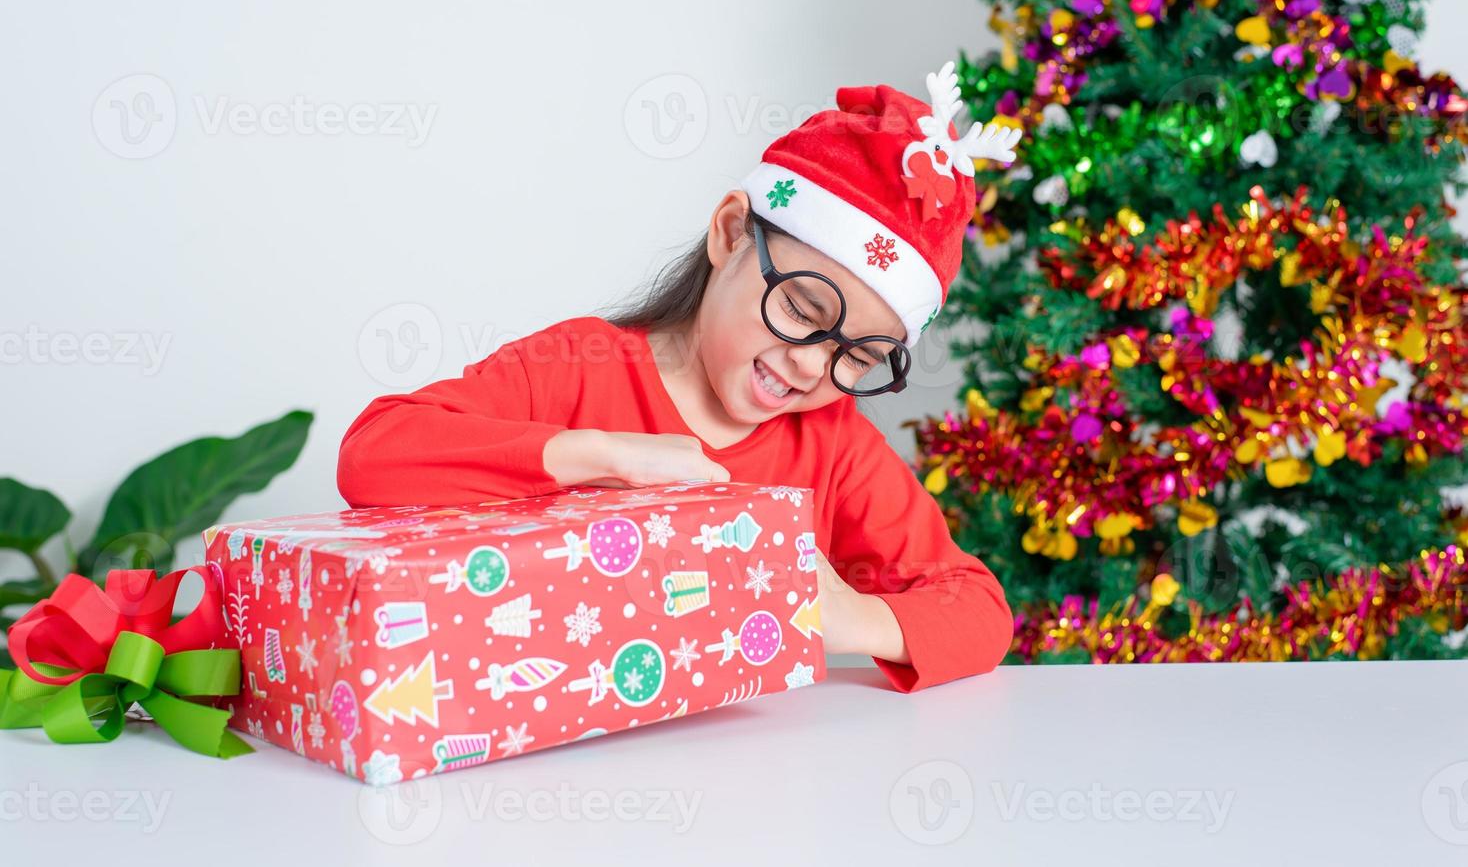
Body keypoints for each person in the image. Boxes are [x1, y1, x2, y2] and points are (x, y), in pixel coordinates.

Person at [337, 60, 1023, 693]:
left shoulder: (832, 445)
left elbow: (981, 611)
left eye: (859, 357)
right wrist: (602, 457)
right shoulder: (577, 367)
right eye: (799, 308)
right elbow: (373, 454)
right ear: (729, 233)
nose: (813, 364)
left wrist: (847, 617)